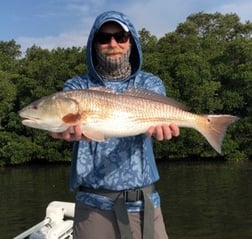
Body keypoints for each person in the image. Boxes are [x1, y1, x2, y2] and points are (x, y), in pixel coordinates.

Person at [52, 10, 180, 239]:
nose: (113, 43)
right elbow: (62, 122)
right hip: (92, 207)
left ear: (131, 41)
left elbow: (161, 119)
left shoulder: (150, 83)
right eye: (104, 38)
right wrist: (61, 129)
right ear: (94, 43)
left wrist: (165, 128)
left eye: (120, 36)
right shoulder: (76, 86)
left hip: (144, 205)